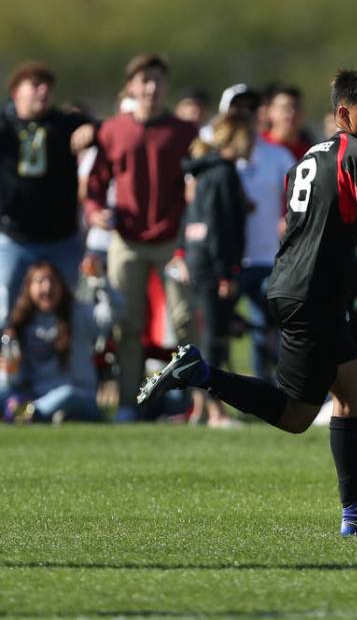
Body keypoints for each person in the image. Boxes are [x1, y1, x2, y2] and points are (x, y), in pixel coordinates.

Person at [136, 69, 357, 536]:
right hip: (312, 294)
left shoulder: (309, 157)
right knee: (296, 416)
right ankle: (201, 373)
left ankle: (356, 515)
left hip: (298, 288)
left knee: (351, 394)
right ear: (343, 114)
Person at [84, 53, 200, 421]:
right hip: (126, 242)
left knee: (184, 321)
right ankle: (127, 405)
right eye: (143, 81)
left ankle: (192, 403)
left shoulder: (183, 131)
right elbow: (95, 181)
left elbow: (202, 175)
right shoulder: (112, 130)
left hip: (171, 243)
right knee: (127, 326)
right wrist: (94, 210)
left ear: (165, 87)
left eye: (157, 81)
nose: (150, 88)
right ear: (131, 86)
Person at [169, 111, 251, 427]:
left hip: (198, 260)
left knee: (208, 336)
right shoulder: (223, 173)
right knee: (214, 339)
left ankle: (202, 409)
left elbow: (194, 219)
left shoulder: (205, 171)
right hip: (213, 267)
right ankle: (216, 411)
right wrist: (226, 272)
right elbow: (219, 228)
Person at [0, 61, 95, 326]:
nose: (44, 91)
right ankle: (8, 365)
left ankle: (64, 366)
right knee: (4, 307)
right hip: (14, 237)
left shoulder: (65, 123)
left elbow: (105, 131)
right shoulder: (5, 126)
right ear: (17, 91)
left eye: (48, 87)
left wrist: (92, 129)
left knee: (67, 310)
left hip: (61, 239)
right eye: (36, 85)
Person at [213, 83, 294, 382]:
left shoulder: (279, 155)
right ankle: (213, 399)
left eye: (251, 107)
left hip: (267, 259)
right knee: (216, 333)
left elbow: (297, 201)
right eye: (238, 107)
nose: (245, 114)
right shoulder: (213, 156)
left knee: (269, 331)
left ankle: (270, 394)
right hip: (227, 264)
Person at [1, 259, 119, 423]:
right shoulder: (20, 325)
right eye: (40, 281)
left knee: (67, 394)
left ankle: (28, 414)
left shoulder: (77, 314)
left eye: (52, 281)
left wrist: (101, 280)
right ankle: (31, 413)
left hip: (78, 396)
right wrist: (8, 372)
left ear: (62, 286)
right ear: (29, 287)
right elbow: (14, 382)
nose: (47, 287)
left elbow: (113, 313)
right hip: (36, 396)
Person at [262, 83, 312, 160]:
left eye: (296, 107)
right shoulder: (258, 147)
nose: (291, 113)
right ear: (270, 111)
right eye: (285, 108)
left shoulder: (310, 154)